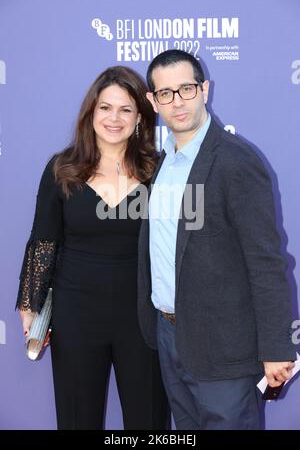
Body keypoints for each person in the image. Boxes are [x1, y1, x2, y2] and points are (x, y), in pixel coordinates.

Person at [137, 49, 296, 430]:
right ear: (152, 101)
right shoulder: (162, 164)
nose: (177, 102)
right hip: (170, 336)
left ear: (205, 89)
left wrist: (276, 348)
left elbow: (266, 260)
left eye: (186, 89)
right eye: (165, 93)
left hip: (225, 345)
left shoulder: (236, 161)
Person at [16, 66, 169, 430]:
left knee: (148, 420)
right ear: (91, 113)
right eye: (105, 108)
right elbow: (43, 240)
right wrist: (29, 303)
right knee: (76, 418)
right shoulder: (62, 168)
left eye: (125, 109)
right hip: (76, 315)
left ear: (139, 119)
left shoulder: (159, 169)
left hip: (143, 317)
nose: (114, 118)